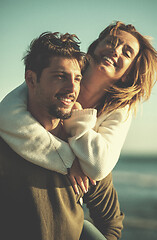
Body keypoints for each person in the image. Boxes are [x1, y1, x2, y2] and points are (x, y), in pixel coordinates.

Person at [0, 21, 157, 194]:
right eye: (111, 42)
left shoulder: (120, 109)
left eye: (126, 53)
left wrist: (75, 119)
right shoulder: (61, 73)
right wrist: (69, 161)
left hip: (79, 196)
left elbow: (99, 167)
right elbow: (6, 114)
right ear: (94, 48)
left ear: (127, 73)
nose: (116, 51)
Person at [0, 31, 124, 240]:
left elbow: (111, 223)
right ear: (31, 79)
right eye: (60, 76)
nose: (72, 88)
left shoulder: (85, 149)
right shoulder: (5, 145)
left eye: (77, 78)